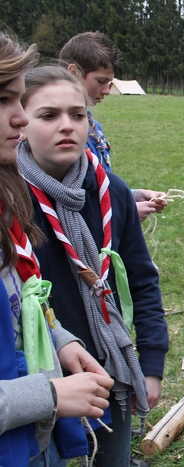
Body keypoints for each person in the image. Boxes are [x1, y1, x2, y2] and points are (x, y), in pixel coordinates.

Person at [17, 65, 169, 467]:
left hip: (109, 368)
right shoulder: (11, 198)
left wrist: (151, 363)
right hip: (38, 373)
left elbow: (142, 280)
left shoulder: (112, 191)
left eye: (78, 114)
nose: (67, 125)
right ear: (20, 123)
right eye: (48, 115)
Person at [0, 33, 113, 467]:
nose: (20, 118)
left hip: (30, 439)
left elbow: (19, 301)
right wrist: (47, 394)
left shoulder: (6, 203)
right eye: (4, 101)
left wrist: (58, 338)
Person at [59, 32, 167, 222]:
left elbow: (99, 185)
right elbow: (66, 204)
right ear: (73, 73)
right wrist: (125, 212)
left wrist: (132, 195)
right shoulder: (58, 134)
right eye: (101, 81)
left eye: (109, 83)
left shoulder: (94, 128)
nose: (107, 91)